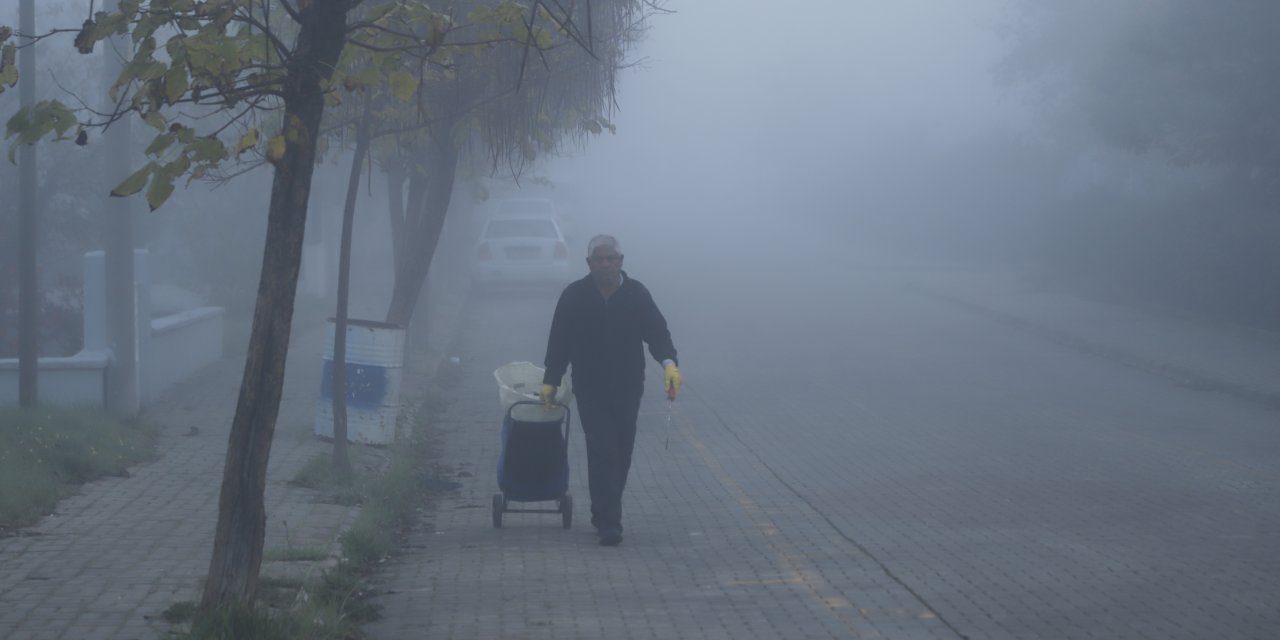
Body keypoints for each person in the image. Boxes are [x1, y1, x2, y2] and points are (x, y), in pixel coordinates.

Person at [539, 234, 681, 546]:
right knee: (601, 449)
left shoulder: (636, 295)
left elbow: (658, 334)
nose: (605, 264)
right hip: (590, 387)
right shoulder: (574, 296)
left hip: (629, 386)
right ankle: (608, 522)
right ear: (589, 264)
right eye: (599, 260)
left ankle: (604, 509)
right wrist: (551, 379)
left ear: (621, 261)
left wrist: (669, 364)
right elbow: (559, 341)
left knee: (622, 451)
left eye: (610, 259)